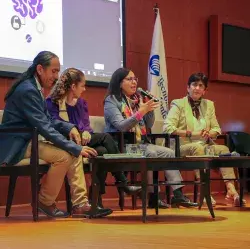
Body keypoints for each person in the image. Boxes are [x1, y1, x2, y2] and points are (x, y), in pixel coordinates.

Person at [0, 51, 112, 218]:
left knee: (72, 154)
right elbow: (45, 126)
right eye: (53, 71)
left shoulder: (34, 87)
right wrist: (75, 147)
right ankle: (44, 202)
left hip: (27, 140)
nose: (57, 76)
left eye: (58, 71)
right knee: (65, 156)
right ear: (40, 69)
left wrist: (69, 128)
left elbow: (48, 120)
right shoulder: (28, 90)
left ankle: (80, 204)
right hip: (16, 143)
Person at [46, 68, 142, 207]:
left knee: (101, 151)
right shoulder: (52, 102)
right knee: (106, 138)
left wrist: (85, 131)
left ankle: (96, 199)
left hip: (82, 139)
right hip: (63, 141)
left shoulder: (81, 103)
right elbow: (53, 124)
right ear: (73, 87)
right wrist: (77, 130)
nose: (84, 89)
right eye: (82, 86)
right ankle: (122, 182)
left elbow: (86, 125)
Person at [103, 67, 198, 208]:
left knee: (169, 152)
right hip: (123, 145)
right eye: (130, 79)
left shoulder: (136, 100)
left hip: (141, 143)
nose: (134, 82)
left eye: (135, 79)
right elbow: (121, 126)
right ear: (119, 82)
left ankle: (178, 195)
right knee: (151, 153)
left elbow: (148, 124)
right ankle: (153, 197)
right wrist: (141, 112)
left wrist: (149, 110)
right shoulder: (112, 101)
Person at [163, 72, 246, 207]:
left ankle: (231, 190)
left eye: (200, 86)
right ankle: (205, 191)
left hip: (204, 145)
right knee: (198, 148)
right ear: (188, 88)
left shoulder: (209, 105)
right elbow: (168, 128)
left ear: (204, 91)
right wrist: (191, 133)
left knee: (224, 149)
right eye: (194, 85)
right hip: (181, 147)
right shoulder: (178, 104)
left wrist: (210, 133)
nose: (197, 88)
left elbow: (217, 129)